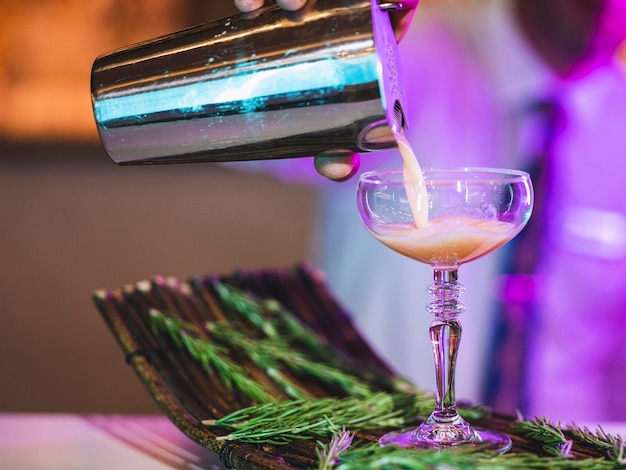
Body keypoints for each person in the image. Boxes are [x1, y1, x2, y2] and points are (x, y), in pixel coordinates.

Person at [233, 0, 626, 422]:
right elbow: (243, 126)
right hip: (376, 436)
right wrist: (298, 45)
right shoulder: (406, 51)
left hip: (571, 447)